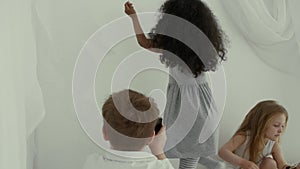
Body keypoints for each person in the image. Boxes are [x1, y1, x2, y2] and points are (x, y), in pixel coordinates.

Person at [124, 0, 227, 169]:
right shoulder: (201, 48)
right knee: (183, 146)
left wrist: (133, 18)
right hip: (201, 109)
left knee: (182, 149)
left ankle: (212, 164)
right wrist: (134, 17)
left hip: (190, 111)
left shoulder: (171, 46)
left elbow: (144, 42)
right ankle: (214, 165)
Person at [83, 89, 175, 169]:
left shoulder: (92, 163)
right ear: (151, 137)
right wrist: (158, 151)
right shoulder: (159, 167)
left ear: (104, 133)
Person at [219, 100, 300, 169]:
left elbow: (282, 166)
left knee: (270, 163)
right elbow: (223, 151)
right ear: (261, 124)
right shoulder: (244, 137)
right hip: (238, 167)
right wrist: (244, 163)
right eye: (276, 125)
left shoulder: (272, 144)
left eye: (283, 126)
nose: (280, 130)